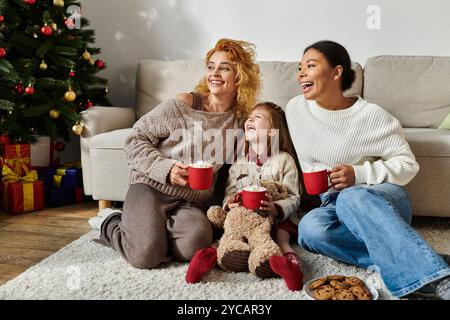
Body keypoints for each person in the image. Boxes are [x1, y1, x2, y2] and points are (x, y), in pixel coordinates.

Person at [285, 40, 450, 299]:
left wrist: (358, 175)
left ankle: (439, 280)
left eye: (311, 66)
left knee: (353, 196)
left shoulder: (371, 115)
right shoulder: (295, 109)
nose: (301, 73)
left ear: (336, 72)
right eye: (299, 67)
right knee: (309, 229)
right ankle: (421, 260)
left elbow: (408, 164)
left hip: (378, 198)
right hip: (331, 204)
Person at [88, 38, 261, 270]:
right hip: (151, 187)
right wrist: (167, 169)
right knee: (145, 257)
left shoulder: (240, 121)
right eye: (211, 66)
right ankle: (111, 222)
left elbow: (236, 170)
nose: (214, 73)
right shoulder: (183, 104)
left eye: (224, 67)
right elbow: (134, 139)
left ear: (240, 76)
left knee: (196, 244)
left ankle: (148, 230)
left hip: (189, 202)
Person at [186, 102, 303, 291]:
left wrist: (277, 208)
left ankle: (289, 265)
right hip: (244, 218)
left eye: (258, 117)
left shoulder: (284, 160)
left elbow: (293, 196)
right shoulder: (238, 163)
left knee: (281, 238)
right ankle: (205, 258)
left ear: (273, 131)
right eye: (249, 117)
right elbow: (230, 194)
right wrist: (229, 203)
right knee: (229, 234)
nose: (250, 119)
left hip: (274, 219)